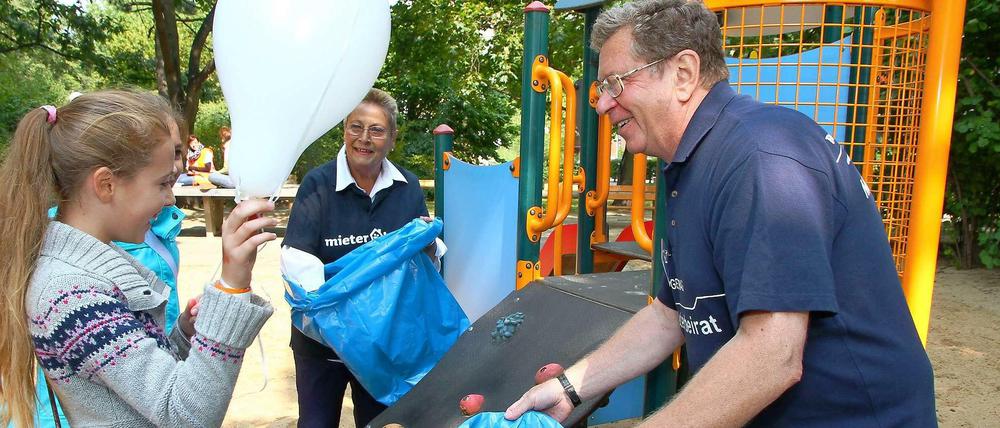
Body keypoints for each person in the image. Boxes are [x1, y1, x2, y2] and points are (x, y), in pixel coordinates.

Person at [505, 1, 936, 426]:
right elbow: (672, 315)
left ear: (683, 74)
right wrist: (570, 387)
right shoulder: (693, 161)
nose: (602, 104)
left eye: (616, 83)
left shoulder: (761, 157)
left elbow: (772, 356)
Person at [0, 89, 277, 427]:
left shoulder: (86, 272)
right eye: (162, 183)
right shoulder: (71, 294)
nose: (170, 199)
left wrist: (185, 334)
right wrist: (232, 287)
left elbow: (139, 390)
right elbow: (186, 416)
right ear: (106, 184)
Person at [282, 88, 431, 427]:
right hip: (323, 346)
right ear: (344, 130)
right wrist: (343, 326)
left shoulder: (407, 187)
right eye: (356, 127)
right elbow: (297, 263)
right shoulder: (317, 184)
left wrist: (429, 246)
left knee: (381, 424)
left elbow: (424, 264)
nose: (364, 138)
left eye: (376, 130)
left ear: (392, 138)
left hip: (383, 346)